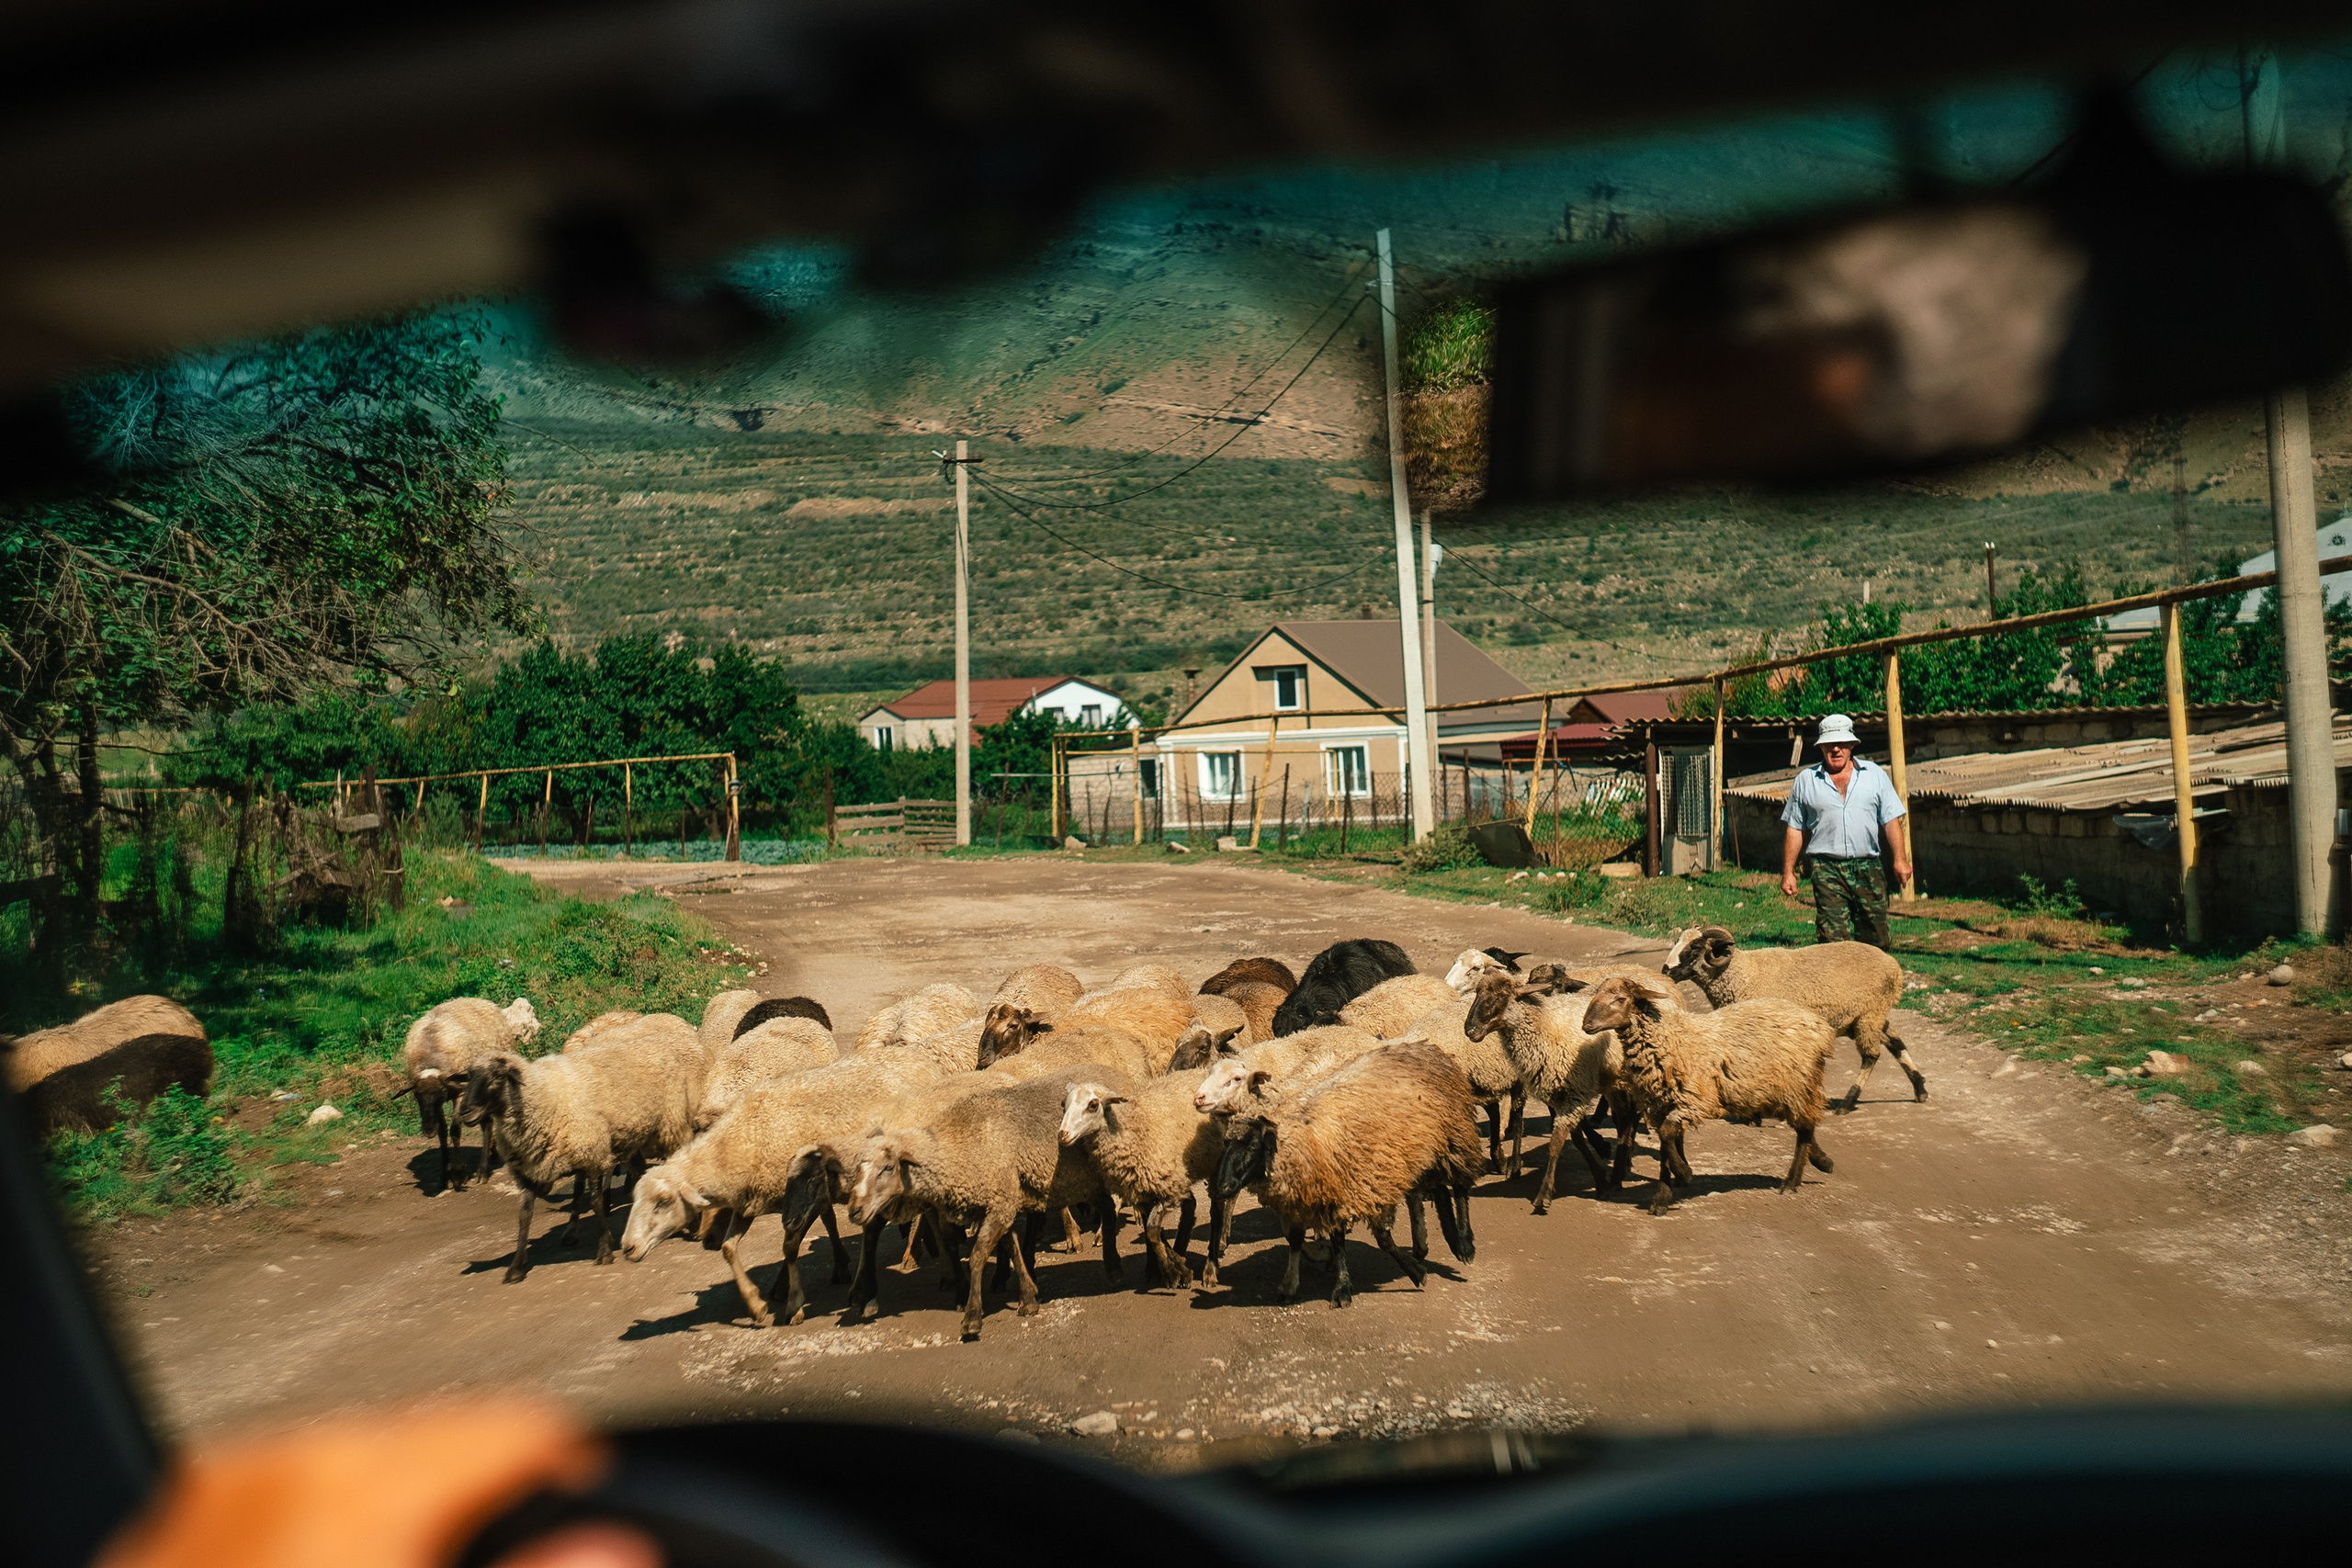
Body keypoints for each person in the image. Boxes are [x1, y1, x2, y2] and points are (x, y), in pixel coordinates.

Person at [1779, 713, 1910, 949]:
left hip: (1867, 867)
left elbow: (1891, 820)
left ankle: (1872, 984)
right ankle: (1838, 986)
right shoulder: (1806, 781)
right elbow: (1795, 828)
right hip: (1826, 868)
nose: (1836, 749)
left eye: (1841, 743)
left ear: (1852, 745)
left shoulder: (1875, 775)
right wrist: (1788, 871)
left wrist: (1900, 859)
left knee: (1876, 941)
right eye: (1830, 744)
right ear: (1821, 747)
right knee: (1832, 943)